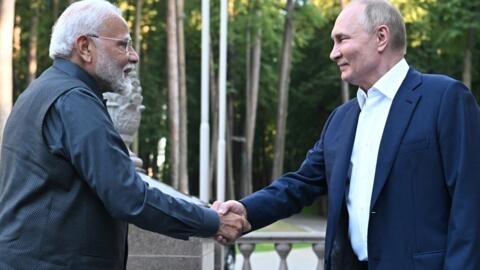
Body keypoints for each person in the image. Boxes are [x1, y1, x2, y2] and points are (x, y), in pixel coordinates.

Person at [213, 0, 480, 269]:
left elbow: (470, 203)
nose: (333, 53)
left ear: (381, 37)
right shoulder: (341, 119)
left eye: (341, 39)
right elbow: (300, 184)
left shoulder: (445, 99)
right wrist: (246, 211)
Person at [0, 0, 250, 269]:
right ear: (85, 47)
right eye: (123, 44)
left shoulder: (43, 90)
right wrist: (212, 221)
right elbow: (128, 196)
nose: (133, 56)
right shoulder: (74, 100)